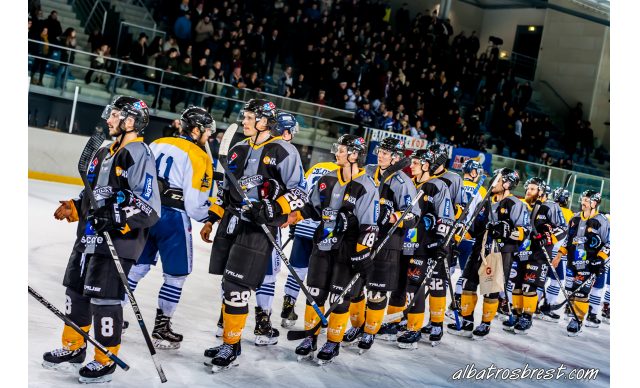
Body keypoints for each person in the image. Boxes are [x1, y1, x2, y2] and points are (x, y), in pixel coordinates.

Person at [43, 96, 160, 383]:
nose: (109, 119)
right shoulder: (105, 151)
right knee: (76, 292)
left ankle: (105, 359)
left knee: (104, 300)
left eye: (116, 115)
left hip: (118, 243)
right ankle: (74, 347)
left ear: (130, 121)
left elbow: (149, 204)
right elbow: (94, 193)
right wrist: (76, 204)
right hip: (89, 236)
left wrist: (117, 217)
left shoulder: (138, 153)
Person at [200, 99, 306, 372]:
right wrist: (212, 218)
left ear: (265, 121)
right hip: (232, 223)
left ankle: (230, 345)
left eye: (249, 117)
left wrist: (273, 207)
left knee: (237, 288)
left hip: (259, 227)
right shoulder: (237, 148)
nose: (244, 121)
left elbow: (300, 194)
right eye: (245, 117)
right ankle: (231, 341)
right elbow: (225, 191)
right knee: (227, 284)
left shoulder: (285, 151)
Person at [125, 106, 214, 349]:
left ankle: (115, 309)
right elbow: (195, 205)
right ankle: (162, 328)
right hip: (173, 219)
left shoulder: (156, 142)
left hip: (144, 213)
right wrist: (213, 214)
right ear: (196, 130)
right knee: (176, 275)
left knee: (137, 267)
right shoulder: (199, 155)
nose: (210, 135)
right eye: (207, 130)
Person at [292, 134, 379, 364]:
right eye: (338, 149)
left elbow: (369, 226)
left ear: (354, 155)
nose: (336, 153)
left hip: (347, 251)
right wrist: (291, 216)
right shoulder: (328, 179)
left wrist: (362, 254)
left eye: (341, 150)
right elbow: (312, 208)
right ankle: (310, 337)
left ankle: (333, 341)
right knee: (315, 293)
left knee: (339, 298)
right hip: (322, 244)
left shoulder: (367, 186)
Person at [341, 138, 419, 352]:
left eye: (385, 153)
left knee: (376, 292)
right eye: (380, 151)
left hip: (387, 243)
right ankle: (358, 326)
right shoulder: (368, 170)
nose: (381, 155)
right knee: (355, 288)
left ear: (395, 157)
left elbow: (413, 216)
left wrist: (392, 216)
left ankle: (370, 332)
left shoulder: (403, 182)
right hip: (362, 237)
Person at [447, 168, 530, 340]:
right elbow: (474, 228)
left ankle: (485, 323)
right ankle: (467, 321)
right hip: (479, 248)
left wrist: (506, 231)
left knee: (491, 290)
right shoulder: (484, 203)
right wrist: (457, 237)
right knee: (468, 284)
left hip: (499, 252)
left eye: (497, 180)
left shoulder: (515, 204)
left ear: (507, 183)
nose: (493, 182)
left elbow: (524, 231)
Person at [395, 148, 453, 348]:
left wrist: (440, 241)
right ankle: (402, 321)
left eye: (416, 163)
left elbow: (446, 216)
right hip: (404, 242)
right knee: (401, 285)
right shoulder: (410, 184)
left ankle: (414, 329)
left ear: (427, 165)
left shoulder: (437, 186)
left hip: (423, 246)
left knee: (414, 286)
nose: (411, 166)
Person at [503, 178, 564, 334]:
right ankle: (517, 314)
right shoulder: (522, 204)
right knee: (516, 285)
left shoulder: (551, 206)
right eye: (528, 188)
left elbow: (563, 228)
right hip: (521, 251)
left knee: (529, 285)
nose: (528, 191)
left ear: (541, 191)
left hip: (539, 254)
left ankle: (527, 317)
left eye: (532, 189)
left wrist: (548, 238)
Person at [553, 190, 609, 336]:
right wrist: (559, 256)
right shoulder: (575, 218)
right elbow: (567, 240)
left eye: (586, 200)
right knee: (571, 291)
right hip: (572, 261)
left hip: (589, 264)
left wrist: (601, 259)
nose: (582, 202)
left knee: (582, 293)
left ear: (594, 203)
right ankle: (572, 313)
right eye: (582, 199)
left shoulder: (602, 221)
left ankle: (577, 321)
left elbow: (609, 243)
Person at [450, 159, 487, 318]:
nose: (478, 175)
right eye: (477, 172)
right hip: (468, 237)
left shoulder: (455, 184)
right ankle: (456, 302)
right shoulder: (482, 191)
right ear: (473, 172)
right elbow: (482, 216)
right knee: (466, 274)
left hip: (451, 234)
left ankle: (436, 301)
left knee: (448, 269)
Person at [538, 186, 573, 322]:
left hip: (544, 248)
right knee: (556, 281)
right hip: (557, 251)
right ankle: (549, 306)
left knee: (541, 278)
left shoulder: (547, 207)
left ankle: (535, 304)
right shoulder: (569, 213)